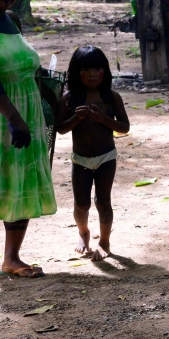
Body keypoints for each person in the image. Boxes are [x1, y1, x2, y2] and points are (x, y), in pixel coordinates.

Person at [0, 0, 57, 277]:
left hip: (27, 109)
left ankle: (12, 258)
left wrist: (52, 98)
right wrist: (13, 118)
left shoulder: (11, 19)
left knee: (21, 180)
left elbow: (28, 67)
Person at [55, 46, 130, 260]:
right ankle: (83, 232)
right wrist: (76, 118)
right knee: (82, 203)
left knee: (103, 200)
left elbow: (124, 127)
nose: (92, 74)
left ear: (104, 71)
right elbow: (61, 128)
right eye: (86, 69)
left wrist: (104, 120)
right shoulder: (69, 99)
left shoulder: (111, 98)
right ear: (76, 73)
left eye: (97, 69)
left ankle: (104, 240)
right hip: (80, 159)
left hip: (107, 157)